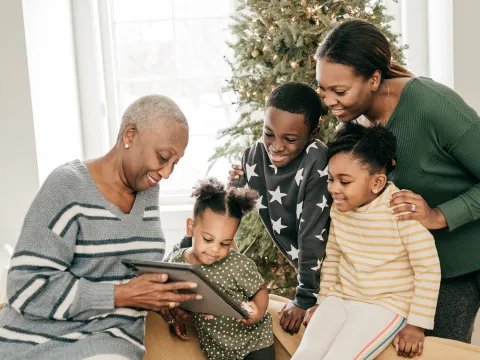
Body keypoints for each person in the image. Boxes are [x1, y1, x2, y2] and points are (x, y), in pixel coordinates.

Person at [315, 19, 480, 344]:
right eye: (322, 89)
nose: (328, 100)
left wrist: (439, 215)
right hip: (415, 268)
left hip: (465, 254)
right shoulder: (353, 127)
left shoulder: (435, 105)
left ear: (374, 79)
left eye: (339, 91)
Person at [0, 95, 202, 360]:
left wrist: (161, 302)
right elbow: (24, 286)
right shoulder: (67, 185)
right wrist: (122, 295)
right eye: (163, 157)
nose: (166, 173)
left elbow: (123, 269)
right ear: (130, 135)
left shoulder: (147, 189)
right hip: (37, 344)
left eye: (175, 162)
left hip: (111, 343)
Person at [292, 123, 441, 360]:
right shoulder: (339, 209)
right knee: (305, 354)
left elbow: (428, 268)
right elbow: (334, 257)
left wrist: (417, 325)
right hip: (342, 297)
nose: (334, 189)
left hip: (386, 303)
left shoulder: (401, 210)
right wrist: (323, 301)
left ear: (377, 183)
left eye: (344, 181)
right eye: (330, 179)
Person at [224, 82, 331, 335]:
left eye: (290, 139)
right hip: (309, 274)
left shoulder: (317, 159)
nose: (277, 146)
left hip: (338, 272)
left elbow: (311, 235)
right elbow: (227, 209)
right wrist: (232, 186)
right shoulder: (253, 156)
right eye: (268, 133)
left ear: (312, 133)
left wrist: (304, 299)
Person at [167, 178, 274, 360]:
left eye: (225, 243)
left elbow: (260, 289)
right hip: (217, 351)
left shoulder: (237, 264)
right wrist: (176, 318)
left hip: (254, 343)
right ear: (190, 227)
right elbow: (175, 296)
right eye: (208, 239)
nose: (215, 249)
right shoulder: (176, 262)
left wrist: (258, 311)